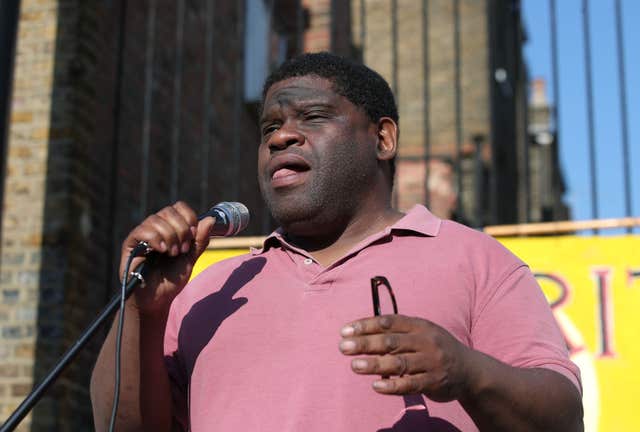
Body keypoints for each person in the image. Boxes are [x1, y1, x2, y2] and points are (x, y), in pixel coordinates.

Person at [90, 52, 583, 431]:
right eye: (270, 127)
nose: (281, 138)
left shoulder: (477, 261)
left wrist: (468, 372)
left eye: (313, 117)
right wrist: (140, 312)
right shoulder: (209, 290)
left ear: (383, 139)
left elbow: (563, 417)